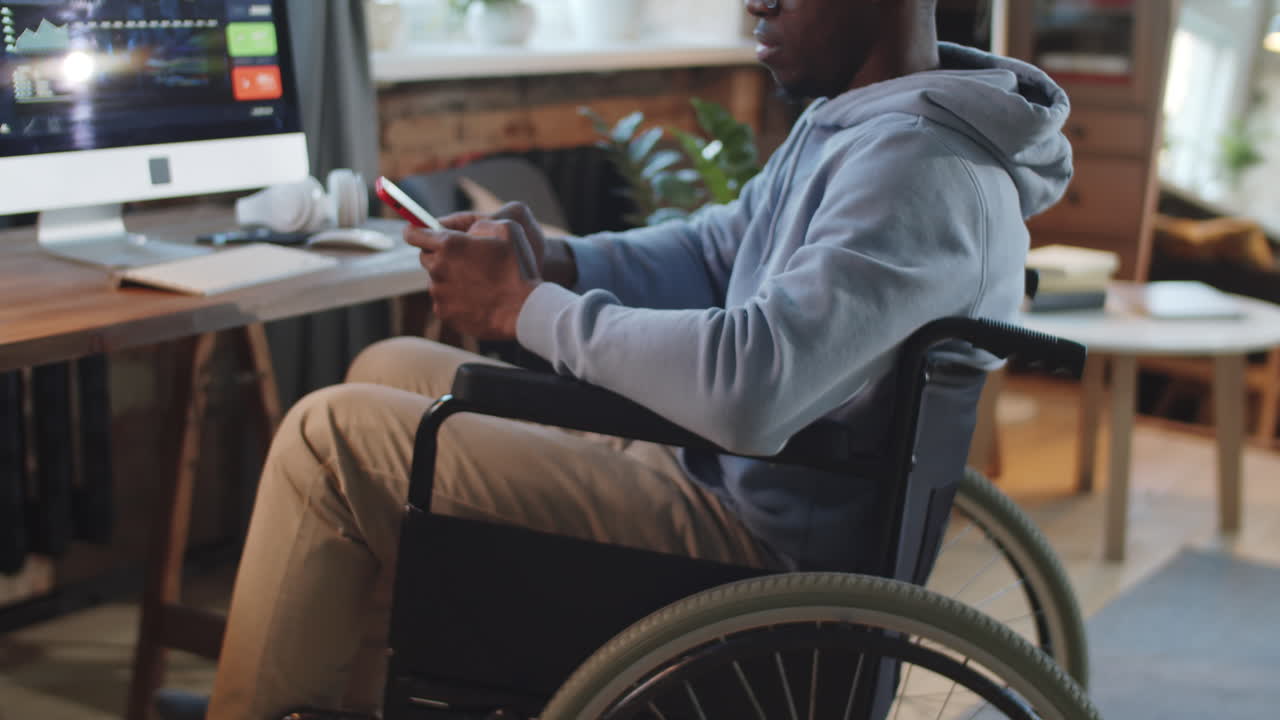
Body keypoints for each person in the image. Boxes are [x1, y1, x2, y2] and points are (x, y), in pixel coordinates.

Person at [195, 0, 1073, 717]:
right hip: (727, 478)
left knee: (330, 438)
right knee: (390, 366)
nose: (754, 3)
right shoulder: (866, 124)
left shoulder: (918, 170)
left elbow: (752, 386)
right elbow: (715, 253)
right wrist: (560, 262)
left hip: (754, 551)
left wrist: (521, 308)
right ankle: (330, 692)